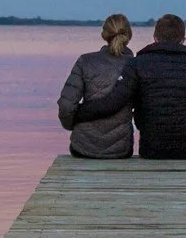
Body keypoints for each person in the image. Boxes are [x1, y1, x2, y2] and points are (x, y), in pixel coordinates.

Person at [77, 12, 186, 160]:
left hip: (152, 150)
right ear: (183, 40)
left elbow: (114, 101)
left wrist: (77, 112)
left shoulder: (137, 65)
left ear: (155, 38)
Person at [57, 13, 137, 158]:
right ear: (129, 35)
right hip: (120, 150)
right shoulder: (135, 65)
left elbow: (66, 105)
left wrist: (71, 125)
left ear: (104, 35)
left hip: (82, 148)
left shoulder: (85, 61)